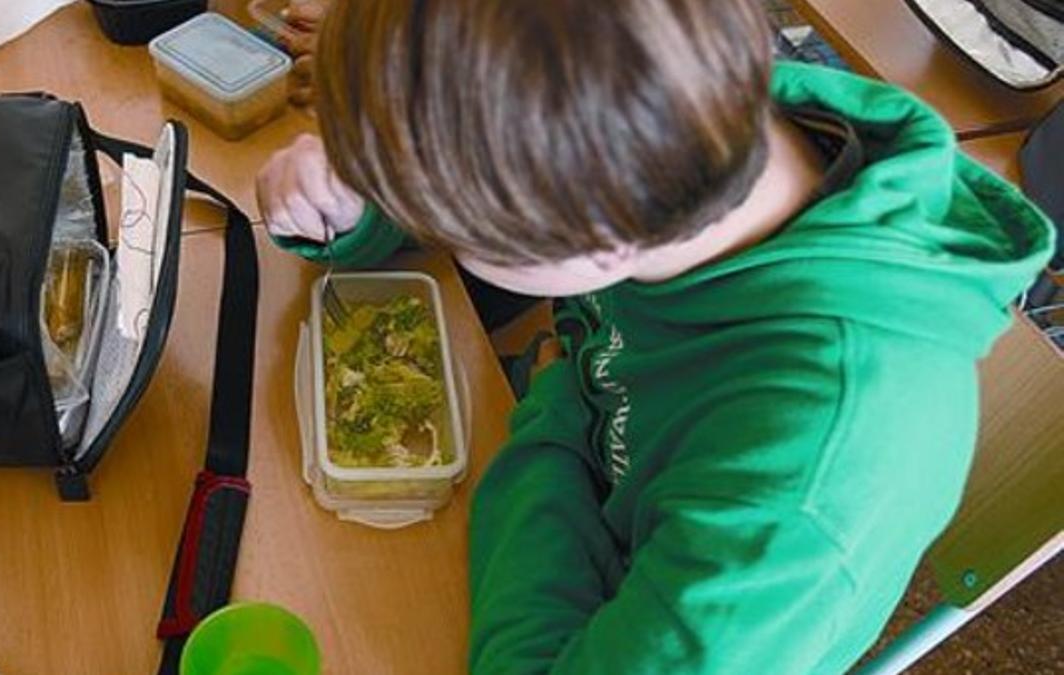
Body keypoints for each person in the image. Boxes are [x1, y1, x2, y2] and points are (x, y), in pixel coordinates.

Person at [256, 1, 1054, 672]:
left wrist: (549, 427)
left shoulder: (803, 489)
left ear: (591, 241)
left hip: (608, 584)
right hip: (591, 503)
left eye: (451, 223)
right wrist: (355, 209)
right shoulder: (675, 116)